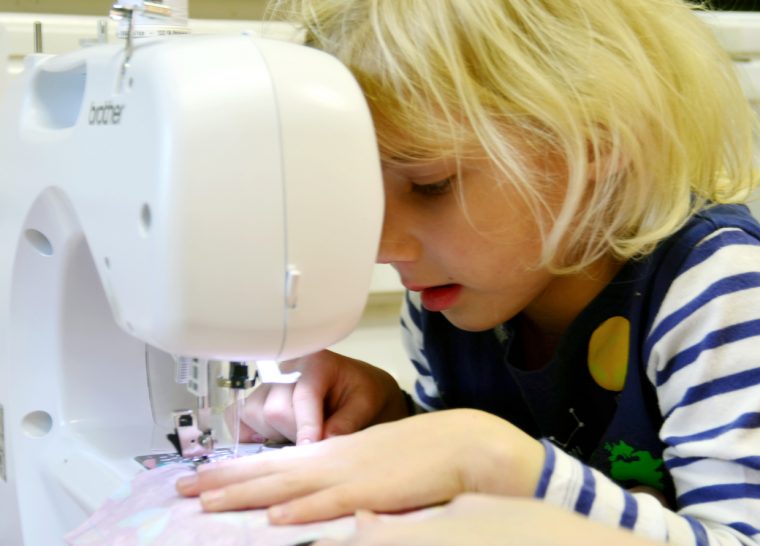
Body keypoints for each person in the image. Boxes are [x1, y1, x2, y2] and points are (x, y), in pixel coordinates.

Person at [177, 0, 760, 543]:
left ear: (595, 144)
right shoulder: (451, 296)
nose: (382, 246)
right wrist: (395, 421)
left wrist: (497, 462)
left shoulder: (718, 291)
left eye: (431, 186)